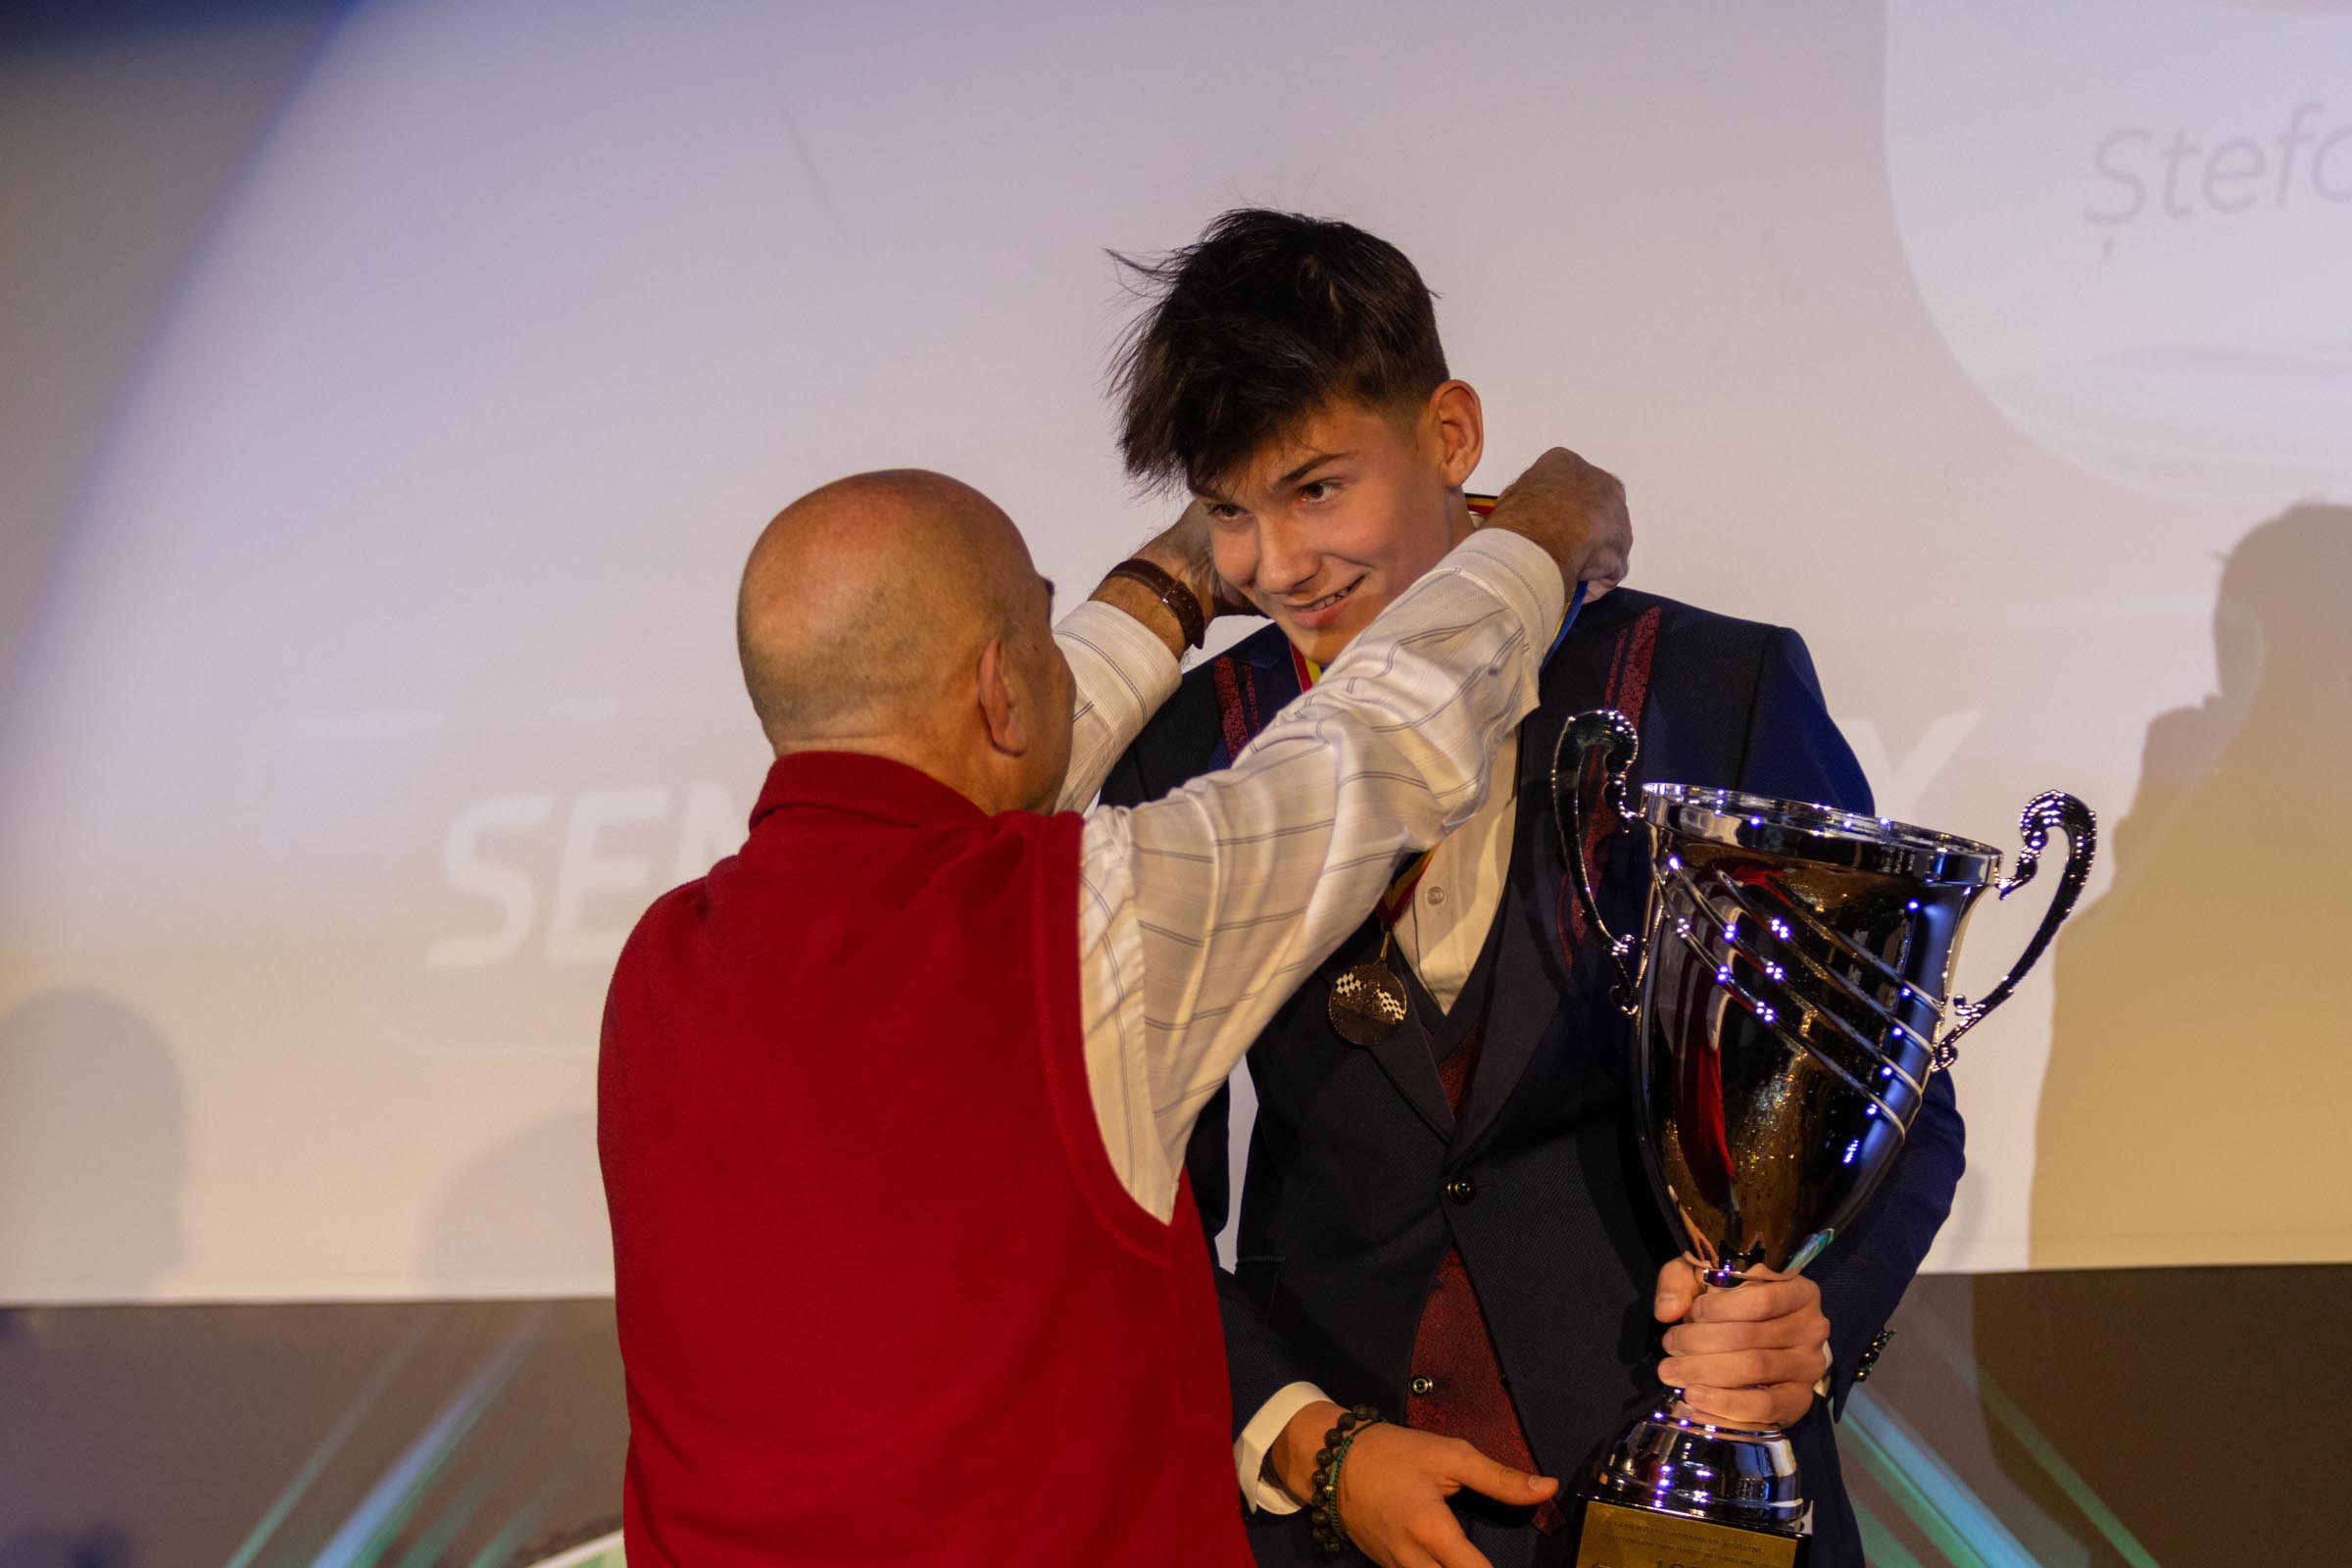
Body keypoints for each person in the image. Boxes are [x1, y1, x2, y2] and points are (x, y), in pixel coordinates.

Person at [1099, 210, 1965, 1568]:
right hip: (1340, 1513)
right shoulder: (1183, 742)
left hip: (1686, 1497)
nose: (1275, 568)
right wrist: (1308, 1440)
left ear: (1451, 435)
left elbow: (1893, 1102)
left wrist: (1801, 1327)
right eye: (1229, 512)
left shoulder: (1709, 686)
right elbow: (1122, 1191)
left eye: (1316, 490)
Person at [597, 462, 1629, 1564]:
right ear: (1002, 686)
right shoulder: (1081, 924)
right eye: (1041, 642)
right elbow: (1379, 743)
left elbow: (959, 772)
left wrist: (1178, 572)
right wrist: (1542, 527)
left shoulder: (660, 965)